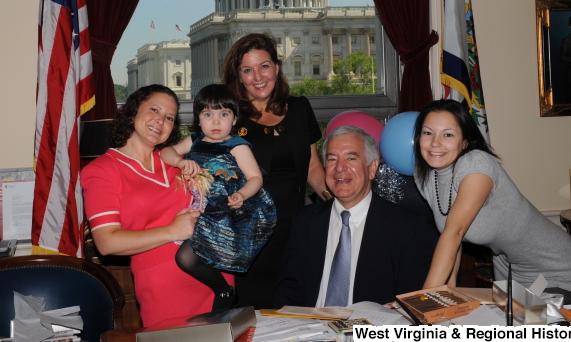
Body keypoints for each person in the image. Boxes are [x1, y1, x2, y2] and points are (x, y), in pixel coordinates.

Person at [81, 84, 233, 327]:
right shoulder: (102, 170)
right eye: (154, 110)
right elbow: (106, 242)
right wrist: (173, 231)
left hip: (217, 278)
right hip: (163, 290)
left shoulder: (179, 161)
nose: (160, 121)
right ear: (133, 112)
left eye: (169, 117)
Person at [414, 99, 571, 292]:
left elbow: (455, 232)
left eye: (448, 134)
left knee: (535, 322)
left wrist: (424, 299)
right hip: (508, 267)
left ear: (465, 142)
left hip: (553, 267)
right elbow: (452, 241)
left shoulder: (476, 163)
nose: (435, 143)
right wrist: (447, 293)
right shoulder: (425, 176)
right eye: (428, 133)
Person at [222, 33, 329, 308]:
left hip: (297, 230)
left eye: (264, 66)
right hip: (252, 234)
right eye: (247, 70)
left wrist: (337, 196)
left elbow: (313, 167)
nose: (258, 76)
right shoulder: (228, 118)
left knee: (298, 312)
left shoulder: (300, 108)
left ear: (277, 68)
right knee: (255, 314)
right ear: (238, 75)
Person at [273, 126, 435, 307]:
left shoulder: (406, 226)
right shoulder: (305, 220)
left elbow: (411, 301)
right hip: (310, 328)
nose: (340, 168)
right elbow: (288, 291)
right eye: (332, 159)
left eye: (351, 158)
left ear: (372, 169)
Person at [160, 84, 277, 310]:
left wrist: (241, 194)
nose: (215, 122)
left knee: (185, 257)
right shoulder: (194, 140)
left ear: (234, 120)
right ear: (198, 119)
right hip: (200, 208)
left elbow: (256, 178)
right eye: (208, 114)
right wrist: (180, 161)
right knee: (186, 258)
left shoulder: (237, 146)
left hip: (225, 211)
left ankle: (223, 291)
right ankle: (224, 292)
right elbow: (165, 151)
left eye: (223, 114)